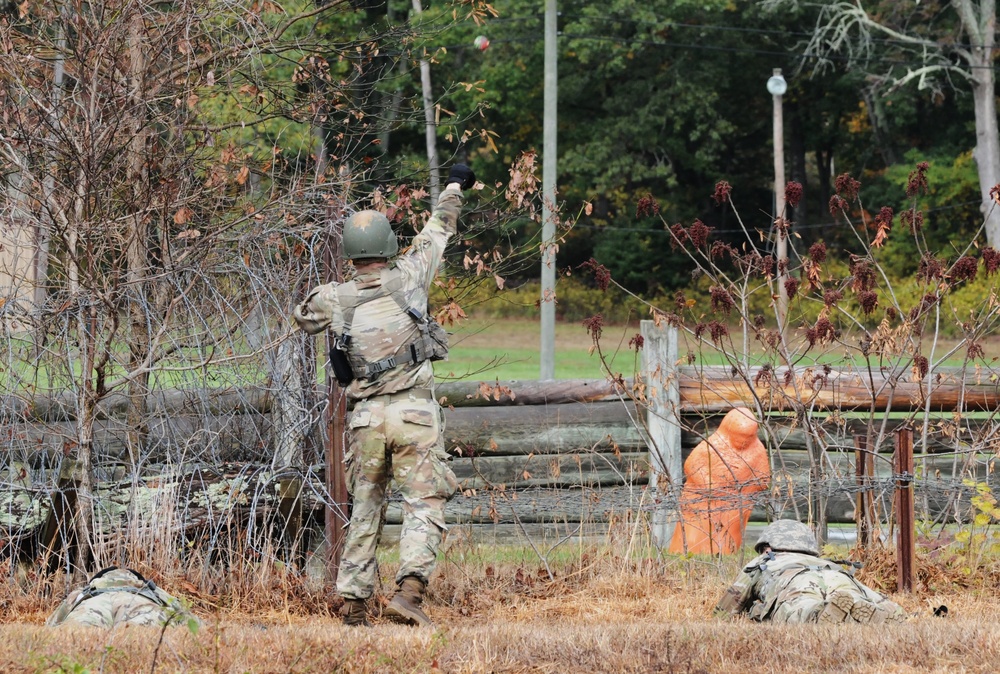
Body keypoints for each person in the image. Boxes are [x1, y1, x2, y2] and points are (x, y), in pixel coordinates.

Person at [293, 164, 476, 627]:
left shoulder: (334, 297)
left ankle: (354, 602)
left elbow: (303, 315)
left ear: (351, 253)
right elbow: (439, 227)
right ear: (389, 247)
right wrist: (454, 186)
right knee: (423, 503)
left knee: (366, 505)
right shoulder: (413, 274)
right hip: (414, 414)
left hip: (365, 419)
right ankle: (409, 594)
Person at [715, 519, 905, 624]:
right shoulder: (820, 560)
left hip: (794, 581)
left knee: (801, 605)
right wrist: (892, 608)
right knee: (854, 596)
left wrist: (726, 615)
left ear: (767, 546)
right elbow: (867, 589)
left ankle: (818, 614)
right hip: (836, 576)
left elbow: (728, 606)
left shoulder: (764, 560)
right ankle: (877, 614)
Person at [47, 567, 199, 629]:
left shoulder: (83, 591)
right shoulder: (151, 588)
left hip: (95, 601)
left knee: (78, 631)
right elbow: (186, 616)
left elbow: (53, 623)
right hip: (137, 599)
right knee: (143, 633)